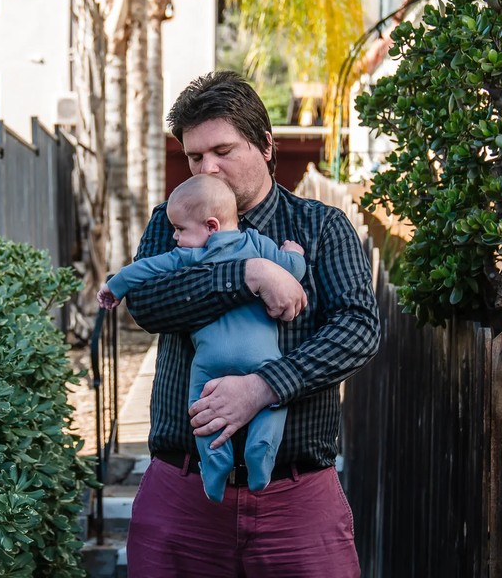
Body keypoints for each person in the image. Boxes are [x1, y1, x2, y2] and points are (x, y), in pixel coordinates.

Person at [124, 71, 380, 578]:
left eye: (222, 150)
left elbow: (357, 329)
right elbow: (148, 304)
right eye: (195, 157)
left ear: (265, 144)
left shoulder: (320, 227)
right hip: (184, 492)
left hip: (297, 497)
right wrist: (246, 275)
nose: (208, 168)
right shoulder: (171, 220)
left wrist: (263, 387)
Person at [97, 174, 306, 502]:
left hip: (210, 360)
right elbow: (292, 271)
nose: (175, 237)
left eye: (180, 229)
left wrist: (114, 287)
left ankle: (214, 463)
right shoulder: (260, 245)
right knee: (274, 403)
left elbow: (146, 269)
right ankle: (261, 452)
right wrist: (294, 254)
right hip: (262, 357)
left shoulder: (191, 256)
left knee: (200, 408)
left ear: (211, 227)